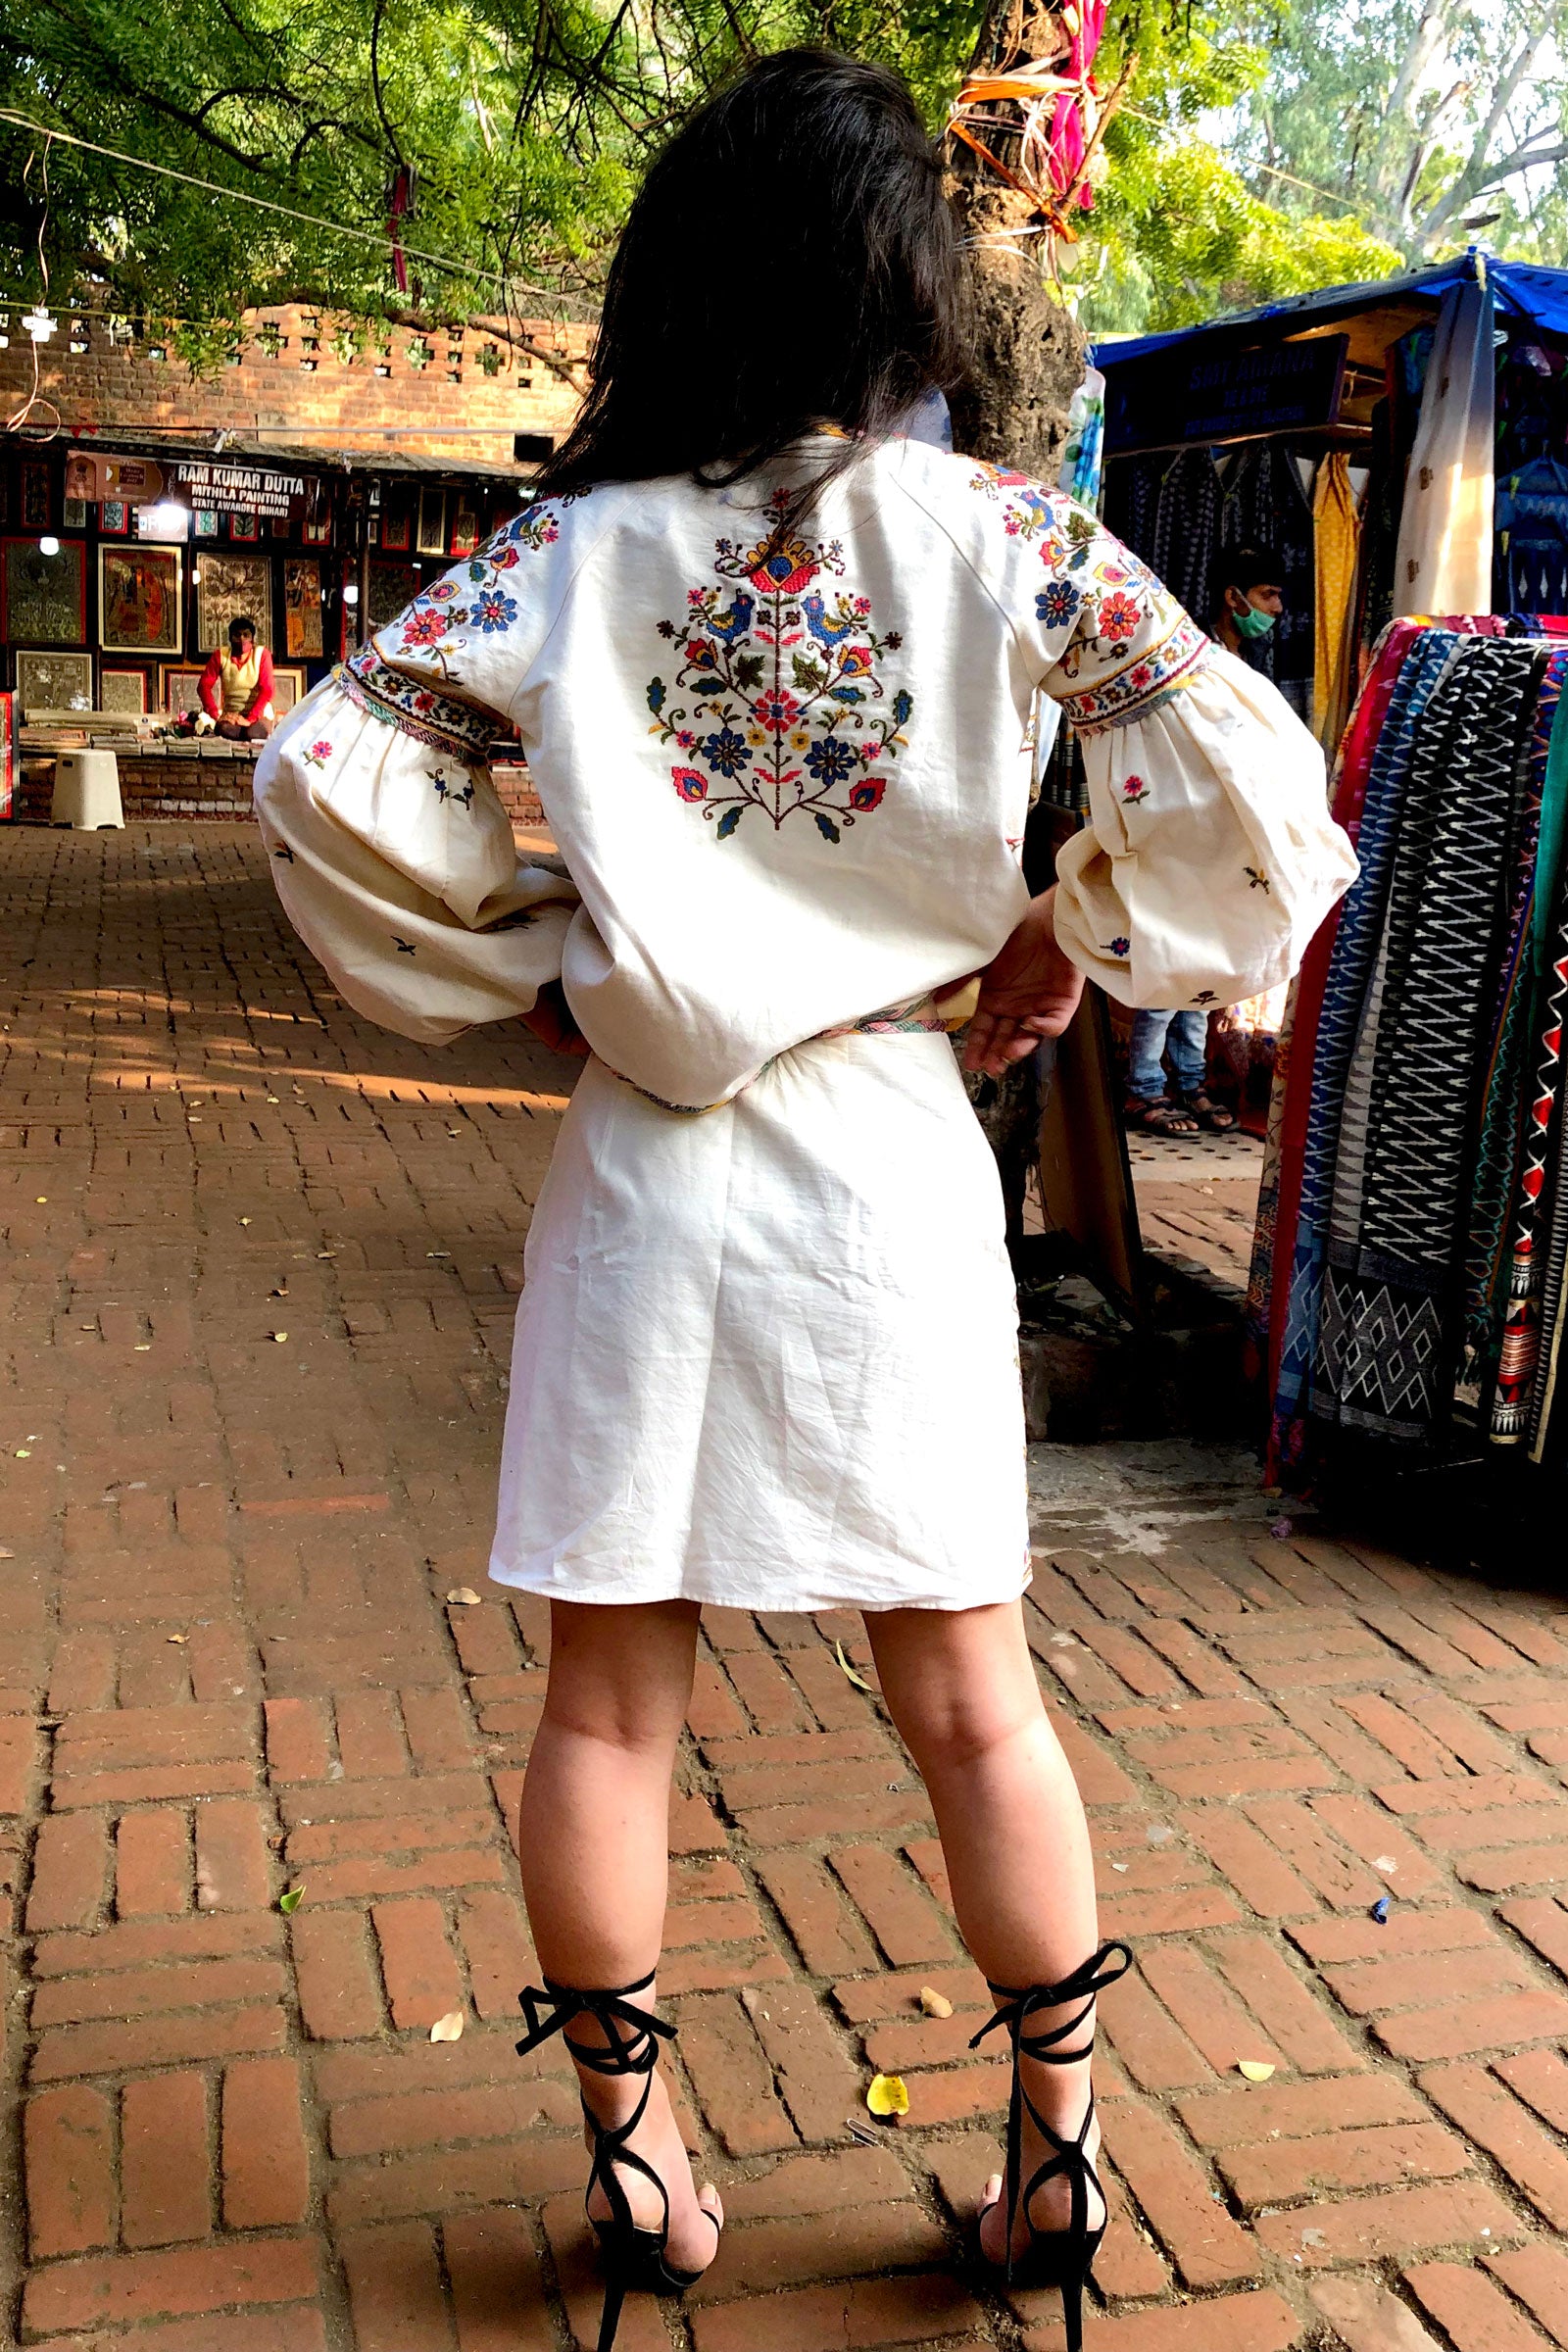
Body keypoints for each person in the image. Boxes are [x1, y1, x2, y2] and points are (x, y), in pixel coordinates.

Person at [253, 51, 1356, 2352]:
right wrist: (1065, 934)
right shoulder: (1005, 534)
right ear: (900, 282)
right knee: (970, 1696)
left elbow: (328, 770)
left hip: (648, 1158)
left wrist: (532, 979)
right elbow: (1256, 793)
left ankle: (639, 2165)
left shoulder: (570, 549)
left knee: (603, 1707)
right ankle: (1059, 2150)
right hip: (885, 1157)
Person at [199, 614, 275, 738]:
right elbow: (203, 686)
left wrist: (250, 719)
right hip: (231, 717)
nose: (241, 639)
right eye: (237, 635)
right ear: (230, 638)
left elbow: (267, 690)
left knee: (251, 733)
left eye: (246, 635)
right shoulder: (220, 655)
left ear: (252, 639)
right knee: (223, 729)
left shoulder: (262, 654)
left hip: (258, 716)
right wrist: (216, 715)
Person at [1212, 543, 1286, 662]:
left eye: (1278, 596)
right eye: (1267, 595)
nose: (1279, 608)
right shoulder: (1193, 650)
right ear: (1233, 597)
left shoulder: (1260, 651)